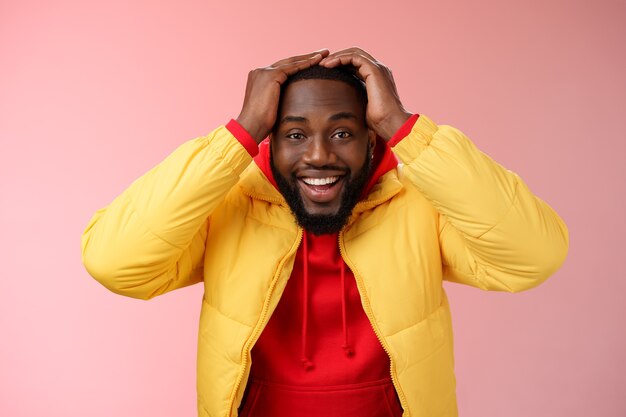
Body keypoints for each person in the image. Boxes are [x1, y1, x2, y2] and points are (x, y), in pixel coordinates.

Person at [81, 47, 569, 417]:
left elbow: (533, 256)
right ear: (268, 144)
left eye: (342, 133)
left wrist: (405, 127)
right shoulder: (230, 204)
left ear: (373, 140)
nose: (318, 156)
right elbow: (114, 262)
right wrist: (240, 131)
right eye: (294, 134)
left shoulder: (417, 204)